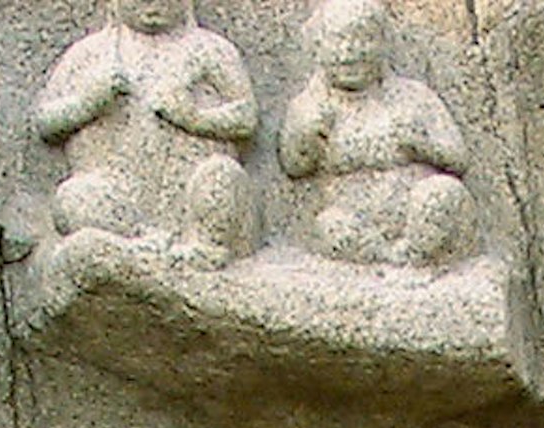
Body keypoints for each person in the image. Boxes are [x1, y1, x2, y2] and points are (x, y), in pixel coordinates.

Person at [36, 0, 259, 263]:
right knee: (71, 198)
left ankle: (204, 248)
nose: (153, 5)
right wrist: (86, 104)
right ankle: (137, 240)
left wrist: (194, 118)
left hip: (189, 190)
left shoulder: (210, 50)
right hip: (117, 192)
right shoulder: (92, 53)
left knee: (221, 177)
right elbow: (46, 122)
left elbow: (246, 118)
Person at [276, 0, 469, 269]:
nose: (349, 53)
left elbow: (458, 158)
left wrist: (423, 145)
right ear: (320, 47)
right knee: (329, 226)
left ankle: (415, 255)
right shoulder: (310, 106)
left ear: (382, 45)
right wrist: (307, 137)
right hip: (353, 223)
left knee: (444, 193)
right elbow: (294, 166)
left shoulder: (414, 97)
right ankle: (387, 262)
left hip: (417, 215)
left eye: (362, 41)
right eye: (338, 41)